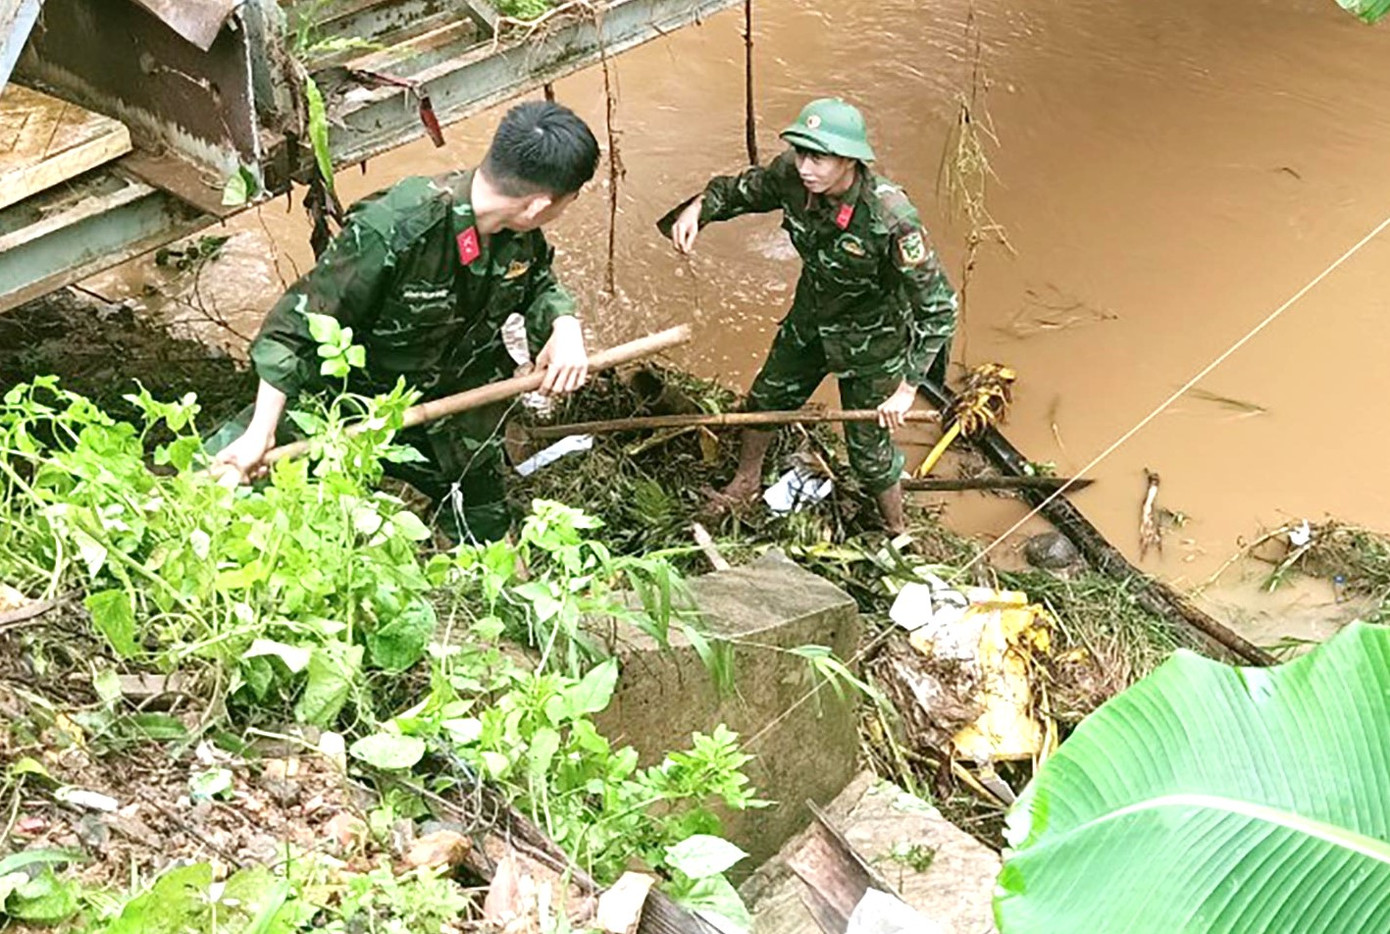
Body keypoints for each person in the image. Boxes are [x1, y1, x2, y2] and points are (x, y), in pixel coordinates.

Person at [208, 100, 599, 543]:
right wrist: (262, 431)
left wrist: (564, 326)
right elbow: (294, 330)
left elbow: (539, 284)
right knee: (219, 482)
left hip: (456, 411)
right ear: (537, 205)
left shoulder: (518, 233)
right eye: (569, 200)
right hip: (355, 403)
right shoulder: (393, 229)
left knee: (485, 531)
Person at [658, 98, 957, 534]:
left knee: (868, 450)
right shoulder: (792, 178)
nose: (804, 166)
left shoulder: (892, 219)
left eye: (818, 156)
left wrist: (908, 389)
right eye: (801, 152)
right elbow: (743, 190)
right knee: (766, 400)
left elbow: (939, 307)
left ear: (849, 160)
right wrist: (699, 209)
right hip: (812, 320)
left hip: (873, 342)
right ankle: (745, 482)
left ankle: (897, 529)